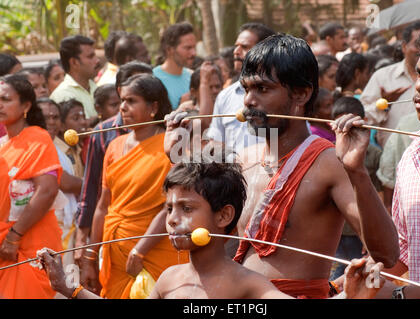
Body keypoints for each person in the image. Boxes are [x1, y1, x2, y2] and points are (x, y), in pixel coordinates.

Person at [165, 34, 399, 299]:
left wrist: (356, 172)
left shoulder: (328, 163)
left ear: (301, 93)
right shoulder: (244, 160)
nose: (249, 101)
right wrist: (177, 155)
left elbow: (387, 254)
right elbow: (213, 237)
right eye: (246, 89)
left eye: (262, 89)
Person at [38, 161, 385, 300]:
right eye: (169, 209)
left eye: (188, 209)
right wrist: (69, 289)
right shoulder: (169, 279)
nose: (173, 220)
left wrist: (349, 296)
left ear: (224, 216)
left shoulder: (245, 283)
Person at [332, 21, 420, 299]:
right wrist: (346, 287)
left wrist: (399, 296)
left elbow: (398, 291)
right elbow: (402, 253)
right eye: (419, 73)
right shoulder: (412, 154)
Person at [80, 74, 187, 299]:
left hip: (155, 252)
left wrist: (141, 250)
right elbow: (103, 206)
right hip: (116, 255)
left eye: (131, 101)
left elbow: (170, 207)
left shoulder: (171, 146)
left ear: (153, 106)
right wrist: (90, 255)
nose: (123, 108)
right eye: (121, 101)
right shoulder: (114, 145)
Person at [75, 61, 153, 262]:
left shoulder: (168, 135)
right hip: (114, 234)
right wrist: (84, 242)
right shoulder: (103, 133)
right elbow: (92, 189)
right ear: (120, 92)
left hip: (154, 235)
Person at [0, 74, 62, 298]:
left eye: (6, 99)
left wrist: (14, 236)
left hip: (29, 243)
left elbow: (47, 191)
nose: (0, 105)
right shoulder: (3, 145)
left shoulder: (37, 138)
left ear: (26, 105)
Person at [329, 96, 382, 281]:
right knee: (335, 278)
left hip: (361, 230)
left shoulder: (374, 154)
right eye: (342, 126)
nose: (348, 131)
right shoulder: (328, 154)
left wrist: (371, 235)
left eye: (353, 125)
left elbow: (378, 191)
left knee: (361, 276)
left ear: (363, 123)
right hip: (337, 230)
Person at [205, 23, 275, 154]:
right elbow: (216, 141)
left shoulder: (281, 94)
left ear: (265, 51)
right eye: (236, 46)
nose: (236, 51)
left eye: (244, 47)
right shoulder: (225, 96)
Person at [360, 21, 420, 147]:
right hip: (392, 155)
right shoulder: (382, 77)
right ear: (404, 47)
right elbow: (362, 117)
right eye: (418, 44)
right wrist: (383, 105)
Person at [37, 98, 82, 268]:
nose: (51, 122)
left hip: (65, 226)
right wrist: (92, 185)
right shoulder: (37, 146)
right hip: (47, 226)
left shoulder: (55, 147)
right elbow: (64, 183)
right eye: (45, 117)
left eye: (55, 117)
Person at [50, 35, 101, 125]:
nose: (97, 60)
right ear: (74, 62)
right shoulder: (62, 95)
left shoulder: (95, 87)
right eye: (90, 57)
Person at [153, 22, 196, 109]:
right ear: (169, 50)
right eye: (188, 48)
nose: (193, 53)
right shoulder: (153, 79)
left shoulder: (193, 76)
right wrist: (180, 108)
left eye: (194, 47)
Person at [54, 98, 88, 179]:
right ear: (61, 126)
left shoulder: (80, 146)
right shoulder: (55, 151)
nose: (83, 122)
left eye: (84, 117)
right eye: (76, 118)